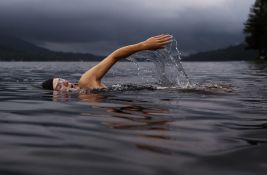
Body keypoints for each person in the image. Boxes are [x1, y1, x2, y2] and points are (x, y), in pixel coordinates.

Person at [42, 34, 173, 91]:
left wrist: (144, 45)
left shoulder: (85, 82)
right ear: (57, 95)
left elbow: (114, 56)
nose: (64, 82)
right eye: (59, 86)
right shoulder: (83, 94)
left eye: (61, 79)